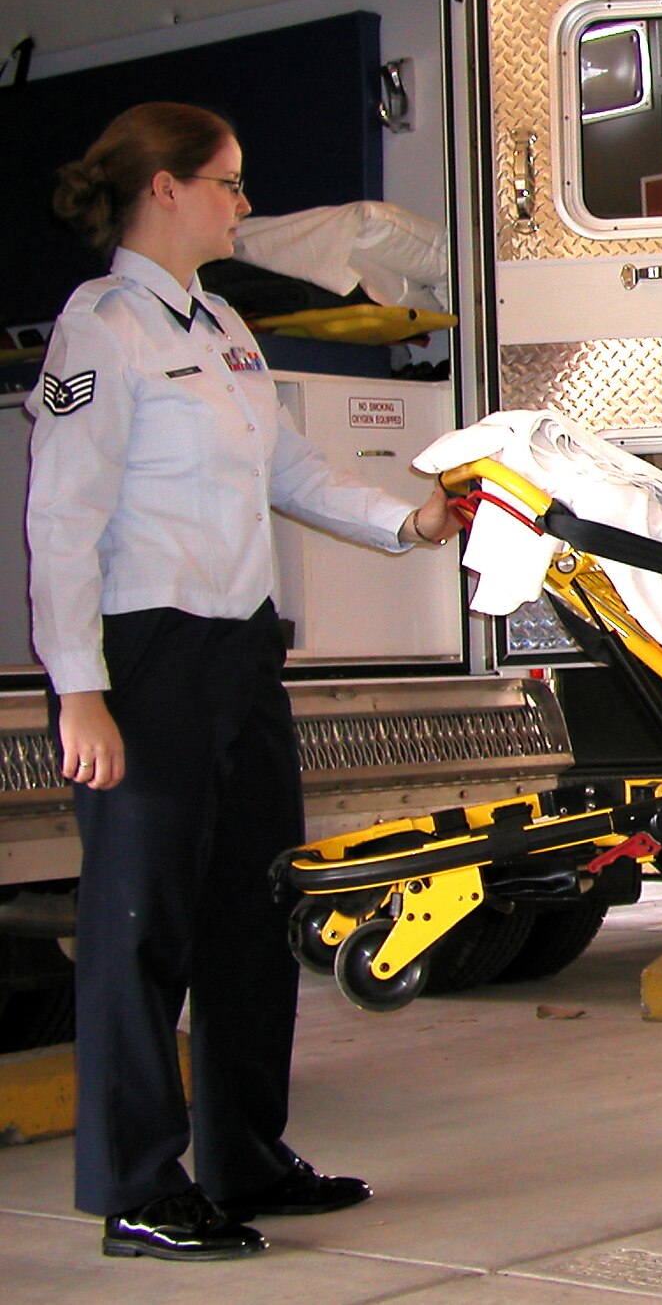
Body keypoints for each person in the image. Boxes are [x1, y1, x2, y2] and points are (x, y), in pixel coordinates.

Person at [27, 102, 457, 1262]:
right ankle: (134, 1185)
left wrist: (409, 521)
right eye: (228, 182)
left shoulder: (221, 324)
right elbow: (60, 519)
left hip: (238, 649)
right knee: (140, 924)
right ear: (163, 190)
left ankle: (246, 1157)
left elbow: (295, 473)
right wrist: (78, 689)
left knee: (251, 912)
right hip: (146, 656)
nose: (244, 202)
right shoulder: (102, 327)